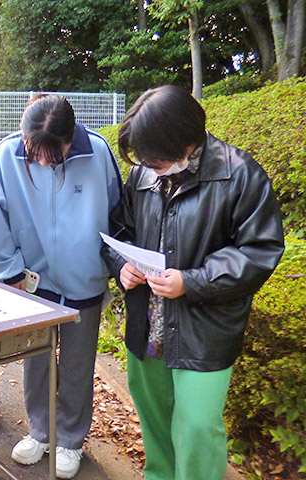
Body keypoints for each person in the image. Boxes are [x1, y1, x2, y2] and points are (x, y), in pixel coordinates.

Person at [101, 85, 284, 480]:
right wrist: (122, 266)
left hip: (205, 329)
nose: (150, 166)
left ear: (187, 139)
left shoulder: (239, 175)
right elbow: (120, 230)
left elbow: (260, 250)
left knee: (198, 427)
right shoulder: (142, 174)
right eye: (144, 159)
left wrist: (193, 281)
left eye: (157, 158)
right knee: (153, 419)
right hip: (147, 324)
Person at [0, 94, 122, 479]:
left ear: (70, 138)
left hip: (84, 281)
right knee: (36, 362)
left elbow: (116, 212)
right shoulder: (7, 154)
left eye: (53, 154)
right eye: (35, 153)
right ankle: (41, 433)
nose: (42, 161)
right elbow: (0, 218)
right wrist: (9, 273)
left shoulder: (96, 150)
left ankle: (71, 441)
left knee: (78, 366)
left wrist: (110, 266)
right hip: (34, 280)